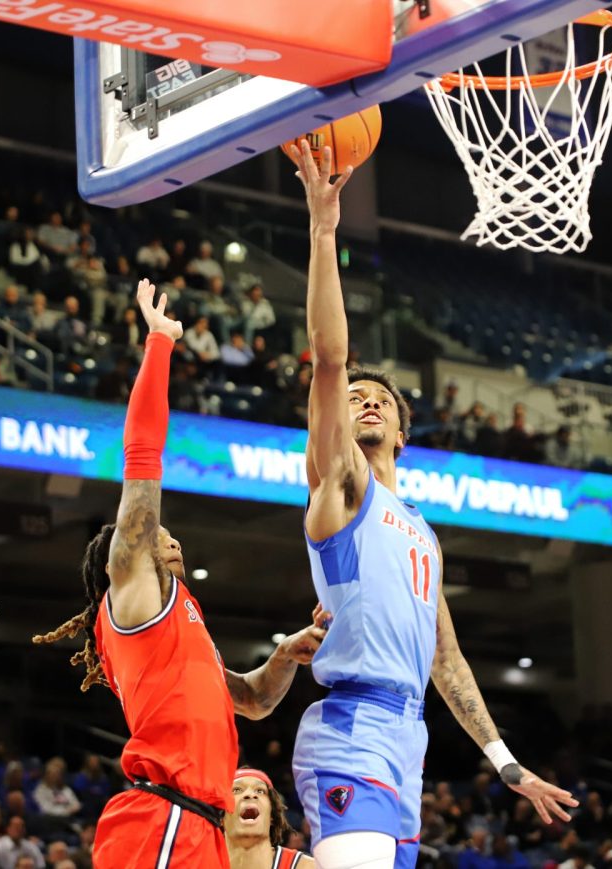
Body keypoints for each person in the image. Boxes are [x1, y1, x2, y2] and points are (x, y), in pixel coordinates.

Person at [289, 138, 576, 869]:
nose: (365, 401)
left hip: (408, 737)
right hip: (353, 724)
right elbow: (328, 357)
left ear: (403, 429)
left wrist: (506, 762)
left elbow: (445, 657)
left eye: (380, 397)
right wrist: (324, 230)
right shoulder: (339, 483)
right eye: (355, 399)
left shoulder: (421, 532)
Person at [31, 279, 327, 869]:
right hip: (161, 818)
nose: (171, 537)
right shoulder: (136, 593)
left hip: (197, 825)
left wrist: (284, 657)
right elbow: (143, 459)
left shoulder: (178, 633)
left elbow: (251, 701)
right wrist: (161, 344)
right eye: (158, 533)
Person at [225, 769, 314, 869]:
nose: (250, 794)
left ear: (271, 815)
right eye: (237, 790)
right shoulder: (205, 862)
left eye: (260, 791)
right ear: (220, 816)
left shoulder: (306, 866)